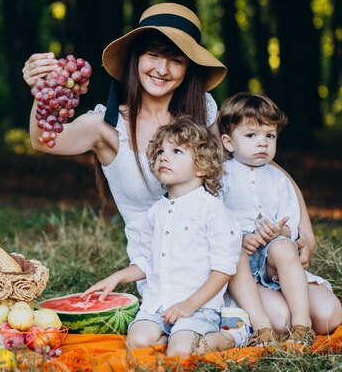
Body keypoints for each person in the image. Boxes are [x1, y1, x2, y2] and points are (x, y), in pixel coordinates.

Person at [21, 3, 333, 345]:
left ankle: (255, 293)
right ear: (135, 59)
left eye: (176, 59)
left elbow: (254, 160)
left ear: (188, 69)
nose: (162, 68)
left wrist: (306, 227)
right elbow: (45, 140)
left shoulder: (201, 113)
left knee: (326, 315)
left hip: (226, 252)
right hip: (172, 269)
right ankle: (237, 323)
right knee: (279, 319)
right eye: (153, 55)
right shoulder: (106, 127)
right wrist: (42, 91)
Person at [81, 117, 244, 357]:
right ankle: (172, 334)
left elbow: (224, 269)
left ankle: (231, 336)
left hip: (198, 307)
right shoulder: (155, 212)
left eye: (176, 151)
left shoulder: (212, 209)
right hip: (157, 304)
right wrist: (116, 278)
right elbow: (146, 262)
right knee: (136, 341)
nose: (163, 157)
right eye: (159, 152)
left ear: (202, 167)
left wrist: (189, 305)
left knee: (181, 352)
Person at [218, 92, 342, 344]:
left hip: (275, 268)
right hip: (240, 272)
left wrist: (278, 233)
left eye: (270, 136)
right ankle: (261, 326)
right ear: (228, 142)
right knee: (233, 252)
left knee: (285, 247)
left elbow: (291, 228)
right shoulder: (220, 177)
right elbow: (213, 223)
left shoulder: (279, 180)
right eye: (251, 135)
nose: (262, 143)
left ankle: (302, 324)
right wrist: (242, 238)